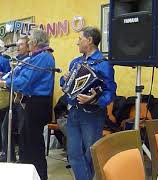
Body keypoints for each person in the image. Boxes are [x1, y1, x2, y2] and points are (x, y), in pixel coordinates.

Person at [0, 29, 55, 180]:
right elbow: (21, 76)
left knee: (33, 144)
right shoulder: (36, 57)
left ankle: (39, 176)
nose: (28, 43)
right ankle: (27, 173)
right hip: (31, 102)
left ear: (36, 43)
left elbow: (25, 81)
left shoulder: (44, 57)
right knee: (26, 141)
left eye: (30, 40)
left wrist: (3, 83)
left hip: (38, 103)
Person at [60, 26, 117, 180]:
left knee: (90, 154)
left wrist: (95, 99)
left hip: (92, 115)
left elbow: (110, 92)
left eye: (80, 39)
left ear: (89, 41)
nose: (77, 43)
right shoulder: (75, 62)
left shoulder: (103, 64)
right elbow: (65, 86)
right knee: (73, 154)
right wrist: (64, 79)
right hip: (73, 113)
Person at [0, 36, 30, 162]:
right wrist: (1, 78)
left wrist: (2, 82)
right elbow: (10, 76)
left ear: (28, 47)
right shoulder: (18, 62)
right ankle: (8, 154)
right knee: (5, 127)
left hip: (22, 100)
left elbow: (20, 80)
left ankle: (23, 157)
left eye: (21, 45)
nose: (18, 47)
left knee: (22, 129)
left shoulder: (28, 61)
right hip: (13, 100)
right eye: (18, 44)